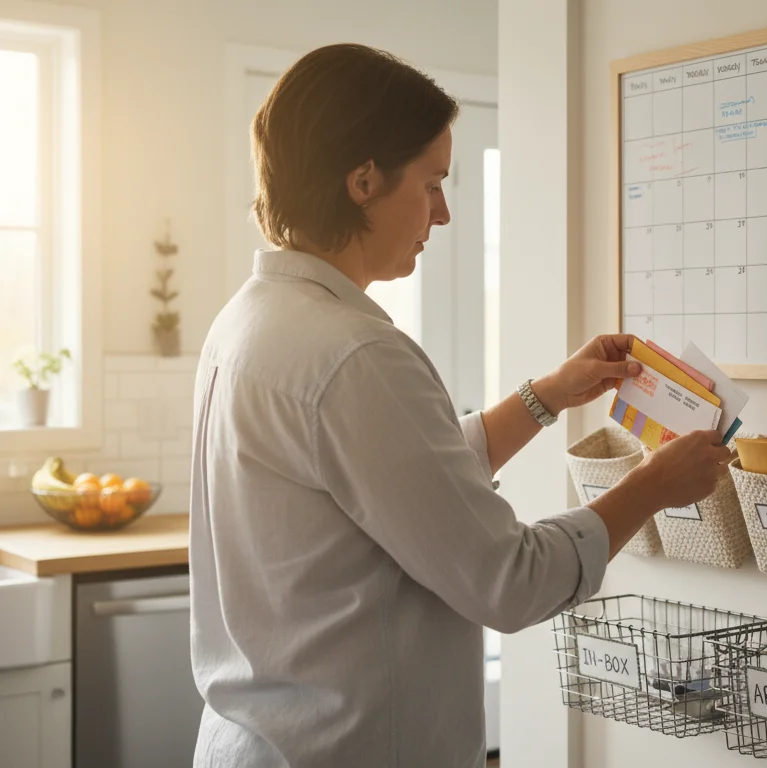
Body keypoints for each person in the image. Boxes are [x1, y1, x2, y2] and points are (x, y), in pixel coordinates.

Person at [188, 43, 731, 767]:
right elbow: (509, 582)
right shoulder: (355, 355)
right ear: (362, 180)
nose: (442, 215)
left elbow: (396, 481)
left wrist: (543, 398)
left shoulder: (249, 320)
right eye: (433, 183)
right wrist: (653, 487)